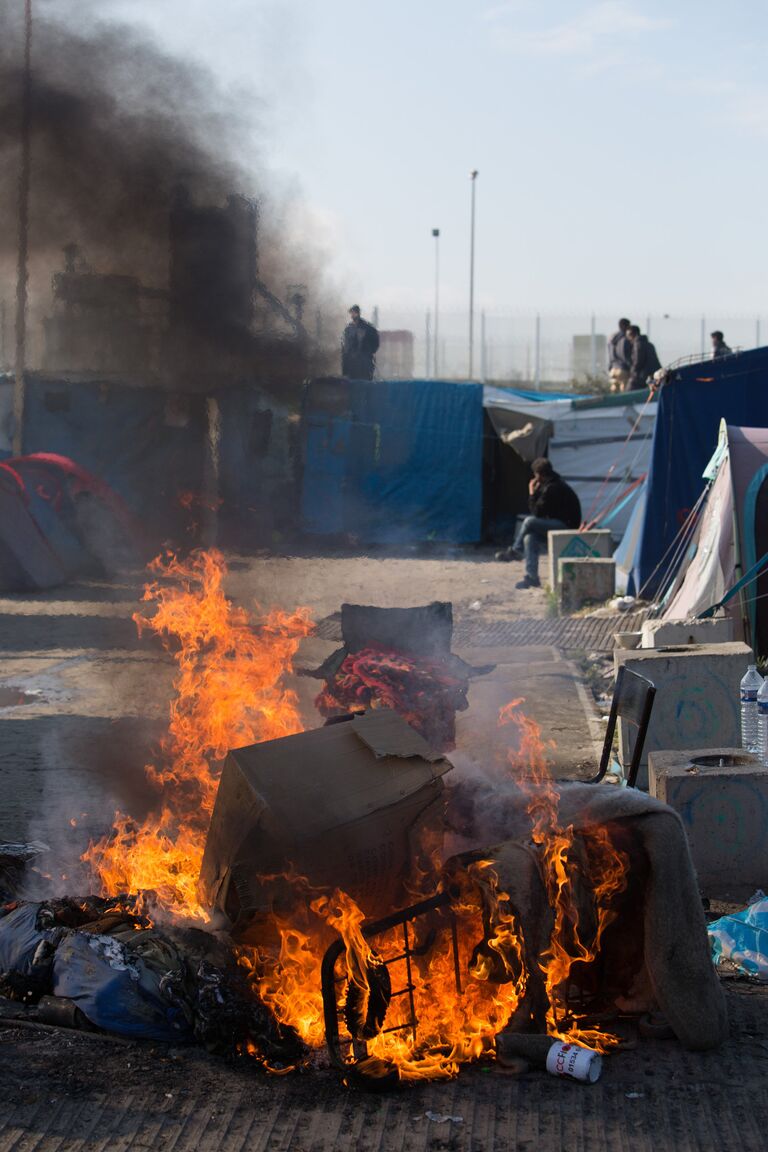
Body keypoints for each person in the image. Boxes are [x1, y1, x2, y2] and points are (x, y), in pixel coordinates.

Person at [497, 458, 582, 589]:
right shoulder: (550, 484)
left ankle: (515, 550)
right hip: (558, 523)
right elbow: (541, 510)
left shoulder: (553, 488)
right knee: (530, 537)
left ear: (539, 474)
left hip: (566, 525)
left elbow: (536, 512)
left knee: (529, 521)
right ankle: (532, 577)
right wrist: (536, 492)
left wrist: (531, 492)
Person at [341, 305, 379, 380]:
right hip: (352, 364)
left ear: (358, 313)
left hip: (364, 363)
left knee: (364, 383)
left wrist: (368, 352)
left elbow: (375, 343)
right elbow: (345, 348)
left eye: (354, 313)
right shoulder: (349, 329)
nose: (352, 315)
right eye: (351, 313)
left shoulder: (368, 328)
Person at [626, 325, 661, 391]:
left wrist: (631, 372)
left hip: (644, 376)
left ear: (634, 334)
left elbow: (638, 362)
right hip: (653, 374)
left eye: (629, 335)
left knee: (630, 389)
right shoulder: (649, 344)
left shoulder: (638, 344)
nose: (628, 338)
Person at [608, 318, 632, 391]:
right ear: (625, 326)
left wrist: (610, 367)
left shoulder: (611, 338)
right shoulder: (625, 339)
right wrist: (630, 367)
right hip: (623, 369)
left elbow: (610, 354)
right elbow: (625, 355)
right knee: (624, 392)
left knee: (614, 391)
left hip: (613, 369)